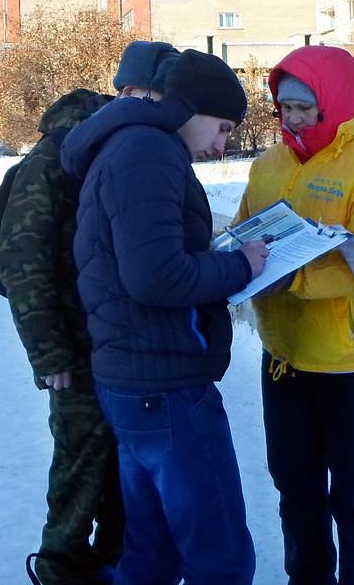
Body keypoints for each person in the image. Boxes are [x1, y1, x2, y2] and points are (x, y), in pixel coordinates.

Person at [60, 48, 269, 585]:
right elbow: (156, 277)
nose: (222, 144)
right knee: (218, 553)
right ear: (190, 108)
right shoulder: (148, 152)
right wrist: (239, 266)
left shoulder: (130, 146)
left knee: (152, 549)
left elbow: (144, 257)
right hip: (165, 383)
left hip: (137, 378)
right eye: (222, 127)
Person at [0, 40, 181, 585]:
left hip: (117, 344)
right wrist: (49, 350)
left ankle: (114, 564)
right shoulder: (58, 154)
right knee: (80, 467)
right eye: (158, 95)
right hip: (74, 351)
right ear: (128, 91)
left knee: (123, 470)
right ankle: (58, 569)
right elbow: (22, 259)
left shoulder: (125, 145)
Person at [234, 45, 354, 585]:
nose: (291, 118)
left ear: (333, 102)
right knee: (295, 487)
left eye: (304, 107)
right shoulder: (269, 165)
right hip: (285, 357)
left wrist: (293, 276)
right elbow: (243, 234)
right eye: (283, 106)